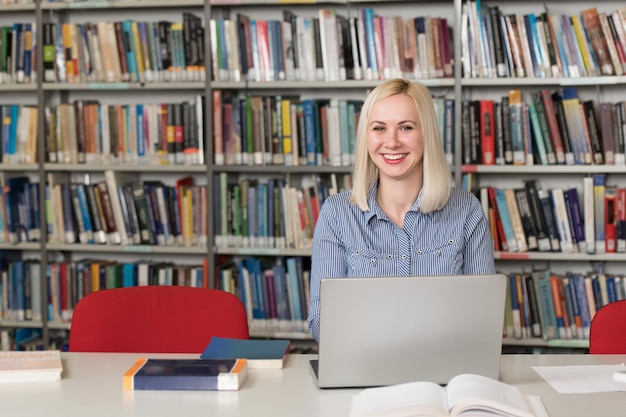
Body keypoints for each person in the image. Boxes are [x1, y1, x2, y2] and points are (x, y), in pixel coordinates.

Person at [307, 79, 496, 342]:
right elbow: (320, 325)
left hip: (443, 374)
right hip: (364, 372)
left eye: (405, 127)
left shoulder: (467, 211)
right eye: (379, 128)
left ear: (426, 133)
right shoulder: (337, 215)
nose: (391, 142)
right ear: (367, 137)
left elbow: (484, 321)